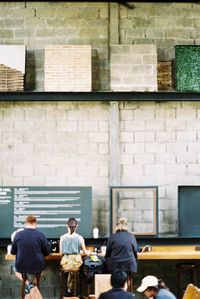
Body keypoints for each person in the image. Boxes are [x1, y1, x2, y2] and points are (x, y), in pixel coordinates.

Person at [11, 215, 51, 297]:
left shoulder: (18, 235)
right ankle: (32, 285)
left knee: (15, 269)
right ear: (36, 224)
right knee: (42, 268)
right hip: (37, 266)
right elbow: (47, 252)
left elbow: (13, 252)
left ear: (26, 223)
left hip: (21, 265)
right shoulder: (41, 235)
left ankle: (28, 284)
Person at [59, 217, 91, 296]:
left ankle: (67, 292)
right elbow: (85, 252)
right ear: (76, 226)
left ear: (67, 226)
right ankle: (76, 293)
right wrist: (89, 252)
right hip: (76, 263)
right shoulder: (80, 238)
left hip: (65, 262)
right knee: (81, 272)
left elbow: (60, 253)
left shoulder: (62, 237)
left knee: (67, 272)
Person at [105, 217, 138, 291]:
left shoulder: (112, 236)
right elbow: (135, 251)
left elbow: (107, 253)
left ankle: (115, 291)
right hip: (129, 264)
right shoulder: (131, 236)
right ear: (126, 226)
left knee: (108, 267)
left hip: (114, 265)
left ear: (117, 226)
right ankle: (128, 290)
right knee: (127, 275)